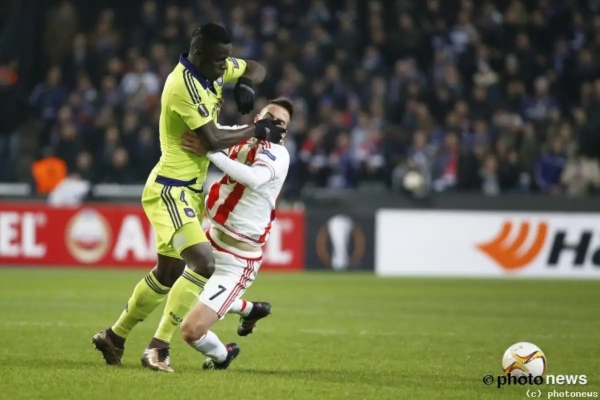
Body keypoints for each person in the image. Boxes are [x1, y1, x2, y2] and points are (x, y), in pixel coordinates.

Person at [91, 23, 285, 372]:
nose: (224, 66)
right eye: (218, 60)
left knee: (168, 273)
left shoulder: (215, 68)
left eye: (227, 59)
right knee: (203, 263)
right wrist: (257, 129)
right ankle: (159, 347)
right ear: (198, 54)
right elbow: (211, 139)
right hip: (171, 189)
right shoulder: (182, 86)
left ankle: (114, 336)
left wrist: (244, 81)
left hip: (189, 192)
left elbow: (257, 67)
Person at [177, 97, 293, 370]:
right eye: (269, 117)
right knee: (173, 282)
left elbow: (254, 178)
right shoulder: (239, 135)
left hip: (237, 261)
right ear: (257, 119)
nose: (274, 124)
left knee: (191, 331)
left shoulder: (278, 154)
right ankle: (249, 310)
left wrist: (209, 151)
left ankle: (222, 355)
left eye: (281, 123)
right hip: (210, 238)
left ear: (285, 133)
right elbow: (209, 132)